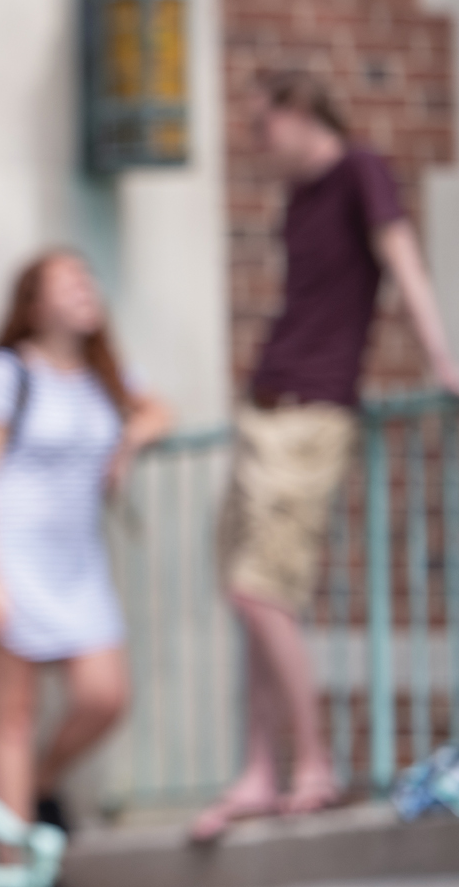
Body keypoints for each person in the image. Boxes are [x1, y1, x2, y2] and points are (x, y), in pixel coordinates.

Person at [192, 70, 459, 841]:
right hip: (267, 404)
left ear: (301, 111)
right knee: (248, 590)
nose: (257, 144)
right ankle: (257, 769)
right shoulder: (301, 198)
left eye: (262, 126)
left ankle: (314, 763)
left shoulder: (359, 171)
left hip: (313, 413)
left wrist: (442, 360)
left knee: (260, 590)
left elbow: (402, 260)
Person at [0, 250, 171, 833]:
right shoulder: (7, 371)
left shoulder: (105, 373)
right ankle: (13, 866)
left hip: (77, 566)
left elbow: (159, 411)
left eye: (88, 278)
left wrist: (129, 441)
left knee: (106, 697)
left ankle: (39, 783)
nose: (84, 290)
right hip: (9, 559)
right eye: (68, 282)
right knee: (13, 715)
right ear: (34, 302)